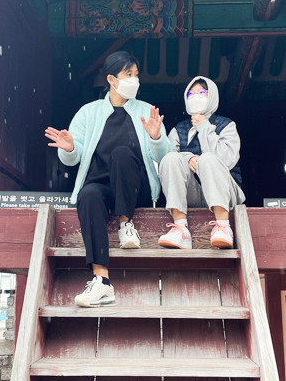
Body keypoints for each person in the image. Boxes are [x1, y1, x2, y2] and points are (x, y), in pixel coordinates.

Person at [45, 52, 171, 307]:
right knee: (88, 195)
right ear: (112, 80)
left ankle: (126, 224)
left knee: (121, 154)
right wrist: (70, 148)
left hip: (135, 188)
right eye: (128, 74)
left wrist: (156, 137)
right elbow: (72, 158)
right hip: (101, 185)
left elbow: (165, 156)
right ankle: (101, 281)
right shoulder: (88, 112)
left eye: (136, 75)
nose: (134, 80)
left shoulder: (146, 110)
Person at [157, 76, 245, 250]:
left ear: (211, 96)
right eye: (191, 94)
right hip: (193, 194)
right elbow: (165, 163)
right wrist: (188, 158)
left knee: (208, 158)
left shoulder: (226, 125)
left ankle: (223, 227)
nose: (195, 97)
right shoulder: (178, 130)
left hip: (226, 193)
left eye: (201, 92)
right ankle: (181, 229)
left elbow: (227, 160)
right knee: (171, 159)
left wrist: (204, 127)